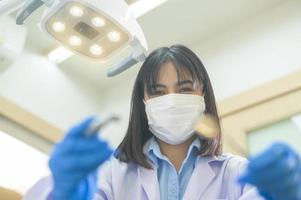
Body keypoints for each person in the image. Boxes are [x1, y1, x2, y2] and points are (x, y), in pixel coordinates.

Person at [24, 45, 301, 200]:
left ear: (203, 95)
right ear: (143, 103)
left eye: (184, 89)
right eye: (157, 92)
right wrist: (62, 193)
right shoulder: (112, 175)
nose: (172, 100)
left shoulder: (237, 174)